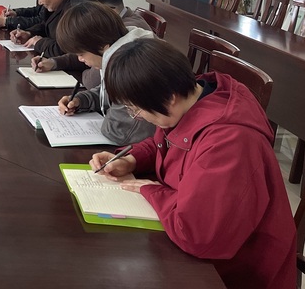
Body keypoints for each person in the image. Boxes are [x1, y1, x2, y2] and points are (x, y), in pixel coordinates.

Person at [90, 38, 296, 289]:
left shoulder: (229, 142)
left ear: (169, 97)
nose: (137, 116)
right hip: (203, 255)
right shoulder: (190, 100)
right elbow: (166, 143)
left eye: (137, 109)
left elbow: (198, 235)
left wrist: (151, 191)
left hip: (239, 272)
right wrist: (132, 159)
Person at [52, 1, 155, 144]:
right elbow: (109, 92)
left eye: (81, 54)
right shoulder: (123, 47)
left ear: (101, 44)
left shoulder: (131, 66)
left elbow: (120, 132)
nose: (80, 59)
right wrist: (81, 100)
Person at [32, 0, 151, 83]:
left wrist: (84, 72)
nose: (83, 23)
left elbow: (92, 81)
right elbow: (86, 51)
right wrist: (54, 62)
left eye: (85, 17)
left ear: (103, 10)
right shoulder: (114, 25)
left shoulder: (124, 36)